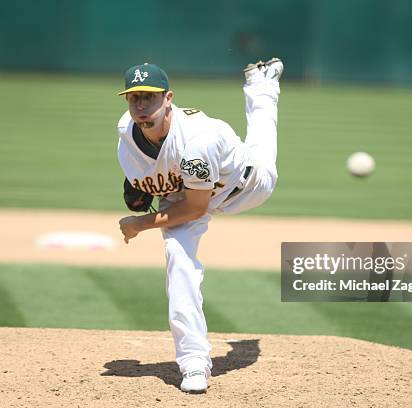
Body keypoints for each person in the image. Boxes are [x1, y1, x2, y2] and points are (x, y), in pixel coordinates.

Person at [116, 58, 283, 393]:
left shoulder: (197, 141)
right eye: (134, 97)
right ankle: (194, 362)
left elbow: (196, 208)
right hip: (182, 197)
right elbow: (150, 180)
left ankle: (262, 85)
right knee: (178, 257)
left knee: (261, 142)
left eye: (149, 96)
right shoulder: (126, 135)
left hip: (243, 188)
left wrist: (140, 222)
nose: (141, 105)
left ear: (169, 98)